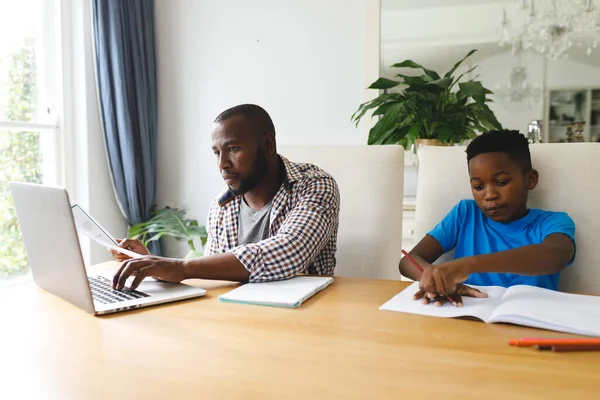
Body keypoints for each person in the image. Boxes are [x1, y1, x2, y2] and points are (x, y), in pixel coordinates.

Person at [110, 104, 340, 291]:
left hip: (304, 322)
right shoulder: (222, 205)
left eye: (233, 149)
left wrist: (180, 267)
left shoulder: (315, 186)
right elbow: (211, 276)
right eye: (217, 153)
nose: (222, 164)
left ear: (268, 144)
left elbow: (289, 251)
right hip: (235, 320)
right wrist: (152, 264)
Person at [399, 129, 576, 306]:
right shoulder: (465, 213)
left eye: (501, 182)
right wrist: (434, 279)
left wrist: (468, 265)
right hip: (465, 317)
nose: (489, 195)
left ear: (530, 180)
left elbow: (555, 257)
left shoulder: (552, 222)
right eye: (478, 186)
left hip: (532, 322)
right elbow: (408, 260)